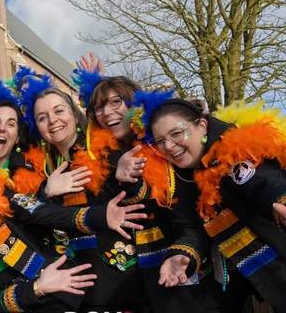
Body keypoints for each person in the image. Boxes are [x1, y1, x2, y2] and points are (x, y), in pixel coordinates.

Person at [0, 74, 147, 311]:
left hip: (117, 280)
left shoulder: (101, 150)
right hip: (70, 283)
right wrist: (48, 191)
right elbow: (36, 216)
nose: (52, 121)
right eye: (43, 117)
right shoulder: (41, 165)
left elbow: (141, 196)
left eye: (59, 111)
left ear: (74, 113)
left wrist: (126, 174)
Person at [80, 56, 231, 312]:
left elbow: (188, 213)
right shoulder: (105, 157)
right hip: (140, 278)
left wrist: (184, 253)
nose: (106, 113)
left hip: (195, 264)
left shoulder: (166, 140)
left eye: (116, 102)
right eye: (98, 108)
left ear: (135, 102)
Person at [144, 95, 286, 311]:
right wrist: (184, 253)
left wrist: (280, 198)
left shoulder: (232, 148)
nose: (170, 146)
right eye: (160, 141)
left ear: (202, 125)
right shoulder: (182, 175)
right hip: (253, 286)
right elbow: (191, 226)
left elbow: (259, 180)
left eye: (176, 133)